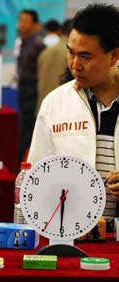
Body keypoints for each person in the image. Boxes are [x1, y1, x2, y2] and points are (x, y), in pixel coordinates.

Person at [28, 4, 119, 224]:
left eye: (86, 56)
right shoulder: (55, 103)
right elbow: (34, 180)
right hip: (69, 237)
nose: (75, 65)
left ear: (114, 55)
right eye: (71, 52)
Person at [17, 9, 46, 163]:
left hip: (32, 88)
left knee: (29, 127)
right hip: (23, 86)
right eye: (20, 20)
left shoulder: (38, 44)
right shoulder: (23, 41)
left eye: (26, 20)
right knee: (24, 125)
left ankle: (26, 162)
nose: (22, 24)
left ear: (35, 25)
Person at [37, 19, 73, 113]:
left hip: (44, 107)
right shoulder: (73, 54)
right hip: (65, 109)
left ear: (61, 30)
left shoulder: (44, 53)